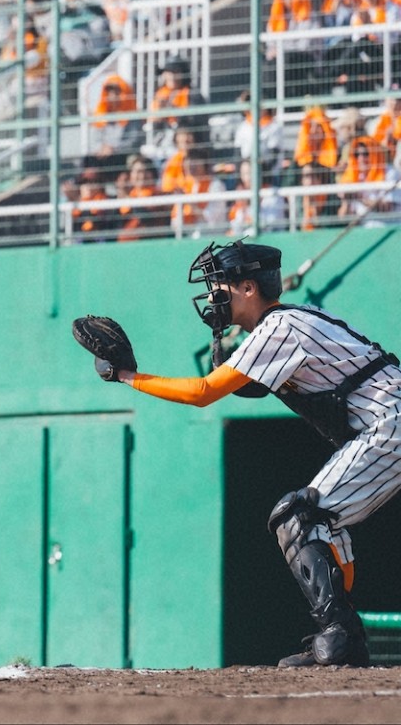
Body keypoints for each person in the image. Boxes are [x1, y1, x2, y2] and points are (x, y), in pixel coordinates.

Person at [84, 240, 400, 667]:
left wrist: (128, 376)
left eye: (220, 286)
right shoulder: (291, 320)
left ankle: (341, 637)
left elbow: (202, 392)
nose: (212, 296)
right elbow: (249, 384)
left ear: (249, 288)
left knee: (299, 516)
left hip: (389, 423)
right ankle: (345, 637)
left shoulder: (279, 327)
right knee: (321, 525)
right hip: (384, 422)